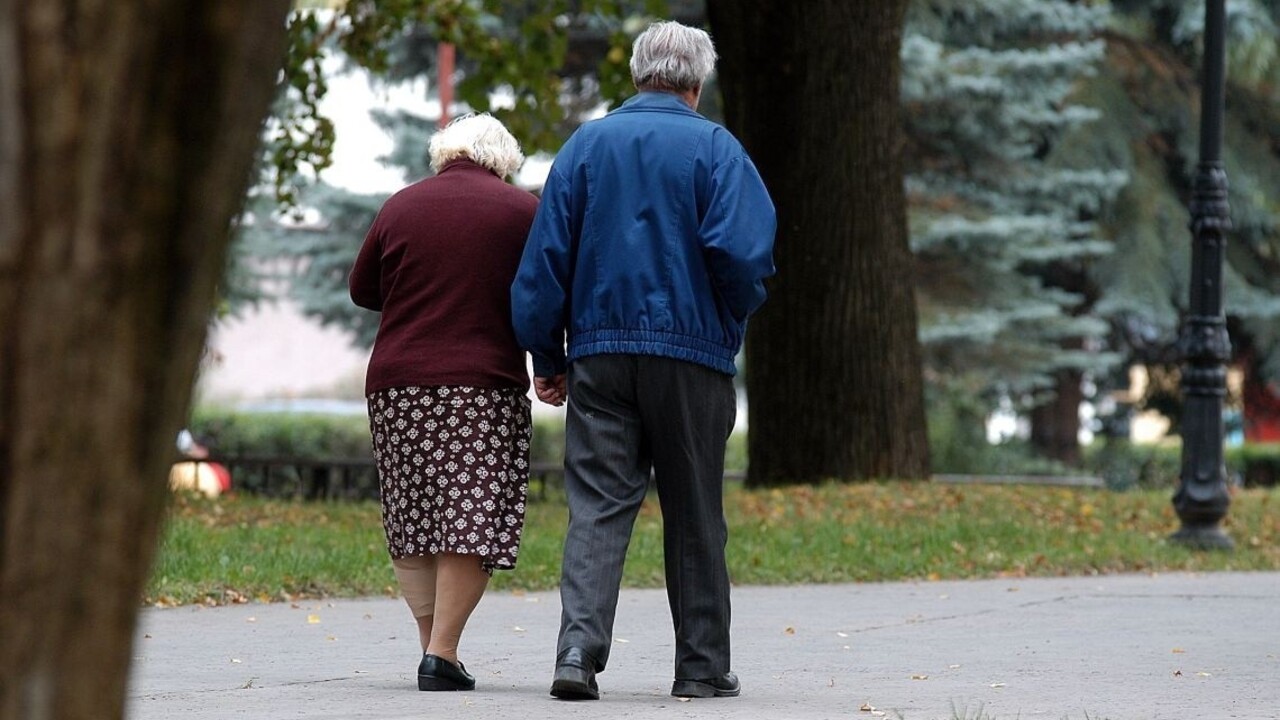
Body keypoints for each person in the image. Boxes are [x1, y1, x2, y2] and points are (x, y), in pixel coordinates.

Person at [511, 20, 776, 701]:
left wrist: (547, 353)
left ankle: (577, 652)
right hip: (691, 354)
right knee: (694, 512)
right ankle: (700, 669)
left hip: (600, 353)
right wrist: (728, 320)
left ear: (638, 74)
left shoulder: (585, 147)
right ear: (696, 81)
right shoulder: (717, 149)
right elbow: (744, 256)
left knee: (597, 505)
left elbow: (544, 262)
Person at [349, 114, 538, 692]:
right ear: (503, 160)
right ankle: (443, 650)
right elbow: (545, 289)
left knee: (413, 515)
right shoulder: (521, 212)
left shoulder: (401, 205)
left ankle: (435, 650)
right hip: (480, 383)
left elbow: (363, 290)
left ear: (443, 154)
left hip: (396, 383)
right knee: (470, 519)